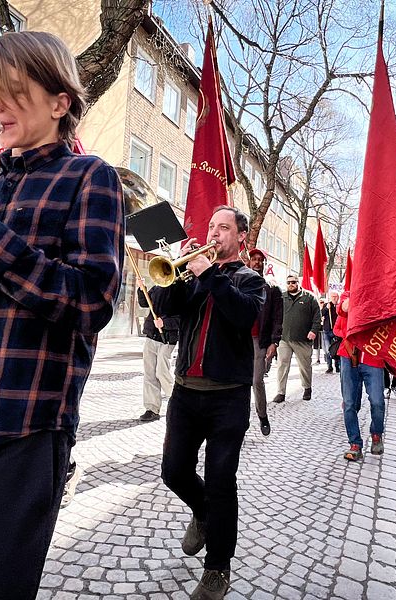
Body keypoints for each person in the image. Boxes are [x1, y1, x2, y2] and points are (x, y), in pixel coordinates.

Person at [0, 32, 124, 599]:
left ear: (60, 101)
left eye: (12, 92)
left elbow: (90, 301)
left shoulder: (92, 178)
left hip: (23, 427)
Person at [160, 206, 264, 600]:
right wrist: (172, 268)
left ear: (240, 236)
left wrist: (211, 274)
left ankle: (218, 568)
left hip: (227, 399)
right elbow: (166, 305)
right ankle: (203, 514)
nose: (214, 233)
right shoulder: (194, 276)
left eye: (223, 228)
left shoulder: (251, 281)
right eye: (210, 227)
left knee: (222, 481)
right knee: (173, 472)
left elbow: (242, 316)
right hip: (186, 391)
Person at [335, 292, 385, 461]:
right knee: (349, 403)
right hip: (349, 355)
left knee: (377, 401)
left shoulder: (381, 292)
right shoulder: (349, 292)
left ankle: (377, 434)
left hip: (373, 354)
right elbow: (343, 308)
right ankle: (355, 443)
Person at [247, 248, 282, 436]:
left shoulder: (272, 287)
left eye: (260, 260)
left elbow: (278, 317)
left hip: (259, 340)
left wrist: (274, 342)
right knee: (239, 382)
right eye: (254, 259)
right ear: (249, 261)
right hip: (240, 340)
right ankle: (240, 421)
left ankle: (262, 416)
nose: (257, 262)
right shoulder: (240, 281)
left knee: (256, 380)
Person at [273, 275, 321, 403]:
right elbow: (275, 315)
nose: (291, 284)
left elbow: (317, 316)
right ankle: (281, 392)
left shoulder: (309, 297)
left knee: (305, 366)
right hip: (284, 338)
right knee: (282, 365)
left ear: (298, 283)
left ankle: (307, 388)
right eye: (288, 282)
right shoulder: (282, 297)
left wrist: (313, 330)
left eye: (293, 282)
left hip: (303, 339)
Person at [137, 282, 180, 421]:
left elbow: (183, 318)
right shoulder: (156, 287)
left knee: (162, 372)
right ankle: (151, 408)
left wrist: (165, 323)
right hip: (152, 335)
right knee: (149, 374)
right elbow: (145, 303)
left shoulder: (180, 288)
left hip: (168, 339)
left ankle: (177, 402)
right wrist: (141, 289)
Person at [321, 290, 341, 373]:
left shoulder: (340, 306)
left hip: (336, 330)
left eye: (336, 296)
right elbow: (321, 314)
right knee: (328, 350)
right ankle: (329, 367)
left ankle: (337, 366)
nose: (334, 298)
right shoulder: (327, 305)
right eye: (333, 297)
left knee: (337, 349)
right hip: (327, 330)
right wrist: (326, 308)